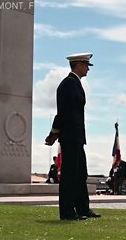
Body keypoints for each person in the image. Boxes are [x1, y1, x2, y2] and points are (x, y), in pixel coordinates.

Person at [45, 52, 101, 221]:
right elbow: (63, 112)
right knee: (70, 176)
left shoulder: (75, 84)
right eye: (86, 66)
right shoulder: (68, 84)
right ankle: (67, 212)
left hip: (76, 137)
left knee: (80, 174)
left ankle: (82, 208)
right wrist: (54, 133)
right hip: (70, 137)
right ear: (78, 65)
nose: (88, 70)